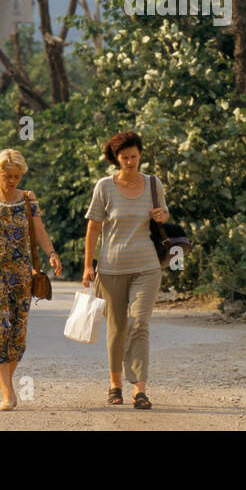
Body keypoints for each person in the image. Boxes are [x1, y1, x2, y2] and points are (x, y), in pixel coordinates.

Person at [0, 149, 63, 411]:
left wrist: (52, 254)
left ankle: (7, 382)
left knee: (17, 332)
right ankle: (7, 392)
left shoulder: (29, 200)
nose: (12, 180)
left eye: (17, 176)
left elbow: (39, 232)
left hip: (22, 275)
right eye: (7, 175)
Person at [82, 131, 169, 410]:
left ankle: (140, 390)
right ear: (116, 159)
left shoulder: (154, 184)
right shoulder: (104, 187)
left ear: (140, 154)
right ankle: (115, 385)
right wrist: (87, 265)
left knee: (139, 323)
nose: (130, 162)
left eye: (134, 156)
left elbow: (163, 215)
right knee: (117, 328)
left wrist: (162, 215)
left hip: (146, 266)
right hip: (111, 268)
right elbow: (94, 226)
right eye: (124, 157)